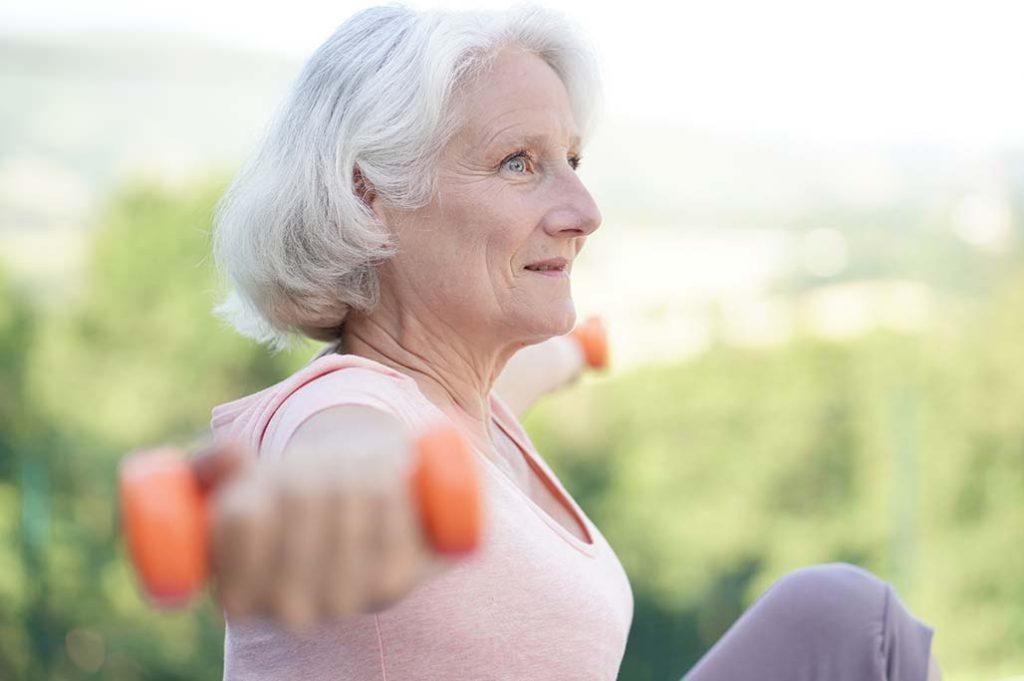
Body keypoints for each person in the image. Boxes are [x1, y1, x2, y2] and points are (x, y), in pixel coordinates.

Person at [197, 5, 939, 680]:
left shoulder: (468, 407)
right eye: (518, 162)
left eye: (572, 162)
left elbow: (532, 371)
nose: (583, 210)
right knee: (848, 614)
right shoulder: (345, 416)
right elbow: (347, 454)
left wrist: (582, 349)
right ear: (369, 197)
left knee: (837, 618)